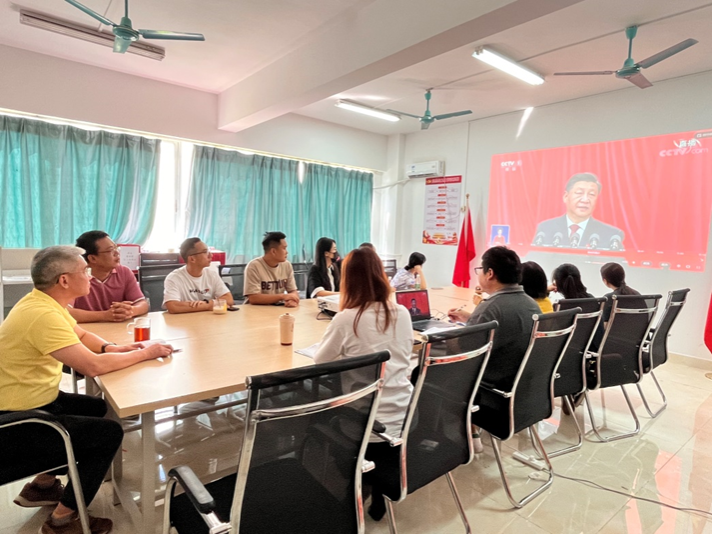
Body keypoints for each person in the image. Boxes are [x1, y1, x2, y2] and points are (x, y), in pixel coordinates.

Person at [0, 246, 173, 534]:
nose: (90, 276)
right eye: (84, 271)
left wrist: (113, 348)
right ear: (64, 280)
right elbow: (92, 366)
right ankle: (62, 520)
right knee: (109, 433)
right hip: (17, 419)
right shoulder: (42, 315)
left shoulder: (44, 303)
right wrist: (146, 353)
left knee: (96, 407)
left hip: (32, 398)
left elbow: (79, 333)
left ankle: (42, 486)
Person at [314, 247, 413, 522]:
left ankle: (359, 479)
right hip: (405, 416)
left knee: (324, 417)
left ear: (348, 280)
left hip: (365, 423)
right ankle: (378, 484)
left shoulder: (347, 318)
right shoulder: (403, 312)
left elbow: (320, 363)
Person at [447, 247, 540, 452]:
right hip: (524, 390)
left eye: (480, 269)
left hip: (490, 391)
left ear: (490, 273)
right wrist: (471, 319)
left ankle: (459, 433)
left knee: (422, 371)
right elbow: (502, 329)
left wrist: (446, 334)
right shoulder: (531, 304)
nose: (479, 274)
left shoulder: (491, 307)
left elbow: (464, 350)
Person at [69, 231, 148, 323]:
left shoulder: (124, 272)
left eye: (116, 248)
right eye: (110, 250)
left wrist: (130, 310)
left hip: (117, 329)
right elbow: (65, 312)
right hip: (85, 329)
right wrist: (105, 315)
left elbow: (142, 303)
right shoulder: (75, 276)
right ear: (93, 258)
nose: (117, 253)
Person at [532, 173, 625, 250]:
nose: (585, 200)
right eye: (579, 193)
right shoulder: (545, 229)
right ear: (566, 196)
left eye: (592, 194)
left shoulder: (611, 235)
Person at [163, 238, 234, 314]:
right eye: (205, 252)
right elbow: (173, 306)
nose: (211, 255)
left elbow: (229, 299)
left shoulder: (212, 275)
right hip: (183, 320)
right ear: (192, 259)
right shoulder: (174, 278)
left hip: (208, 319)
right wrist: (209, 305)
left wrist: (205, 304)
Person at [243, 231, 300, 306]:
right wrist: (282, 296)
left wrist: (292, 299)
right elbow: (253, 298)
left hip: (277, 308)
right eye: (284, 248)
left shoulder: (287, 265)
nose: (287, 252)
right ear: (273, 251)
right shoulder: (254, 266)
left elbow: (293, 291)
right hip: (255, 310)